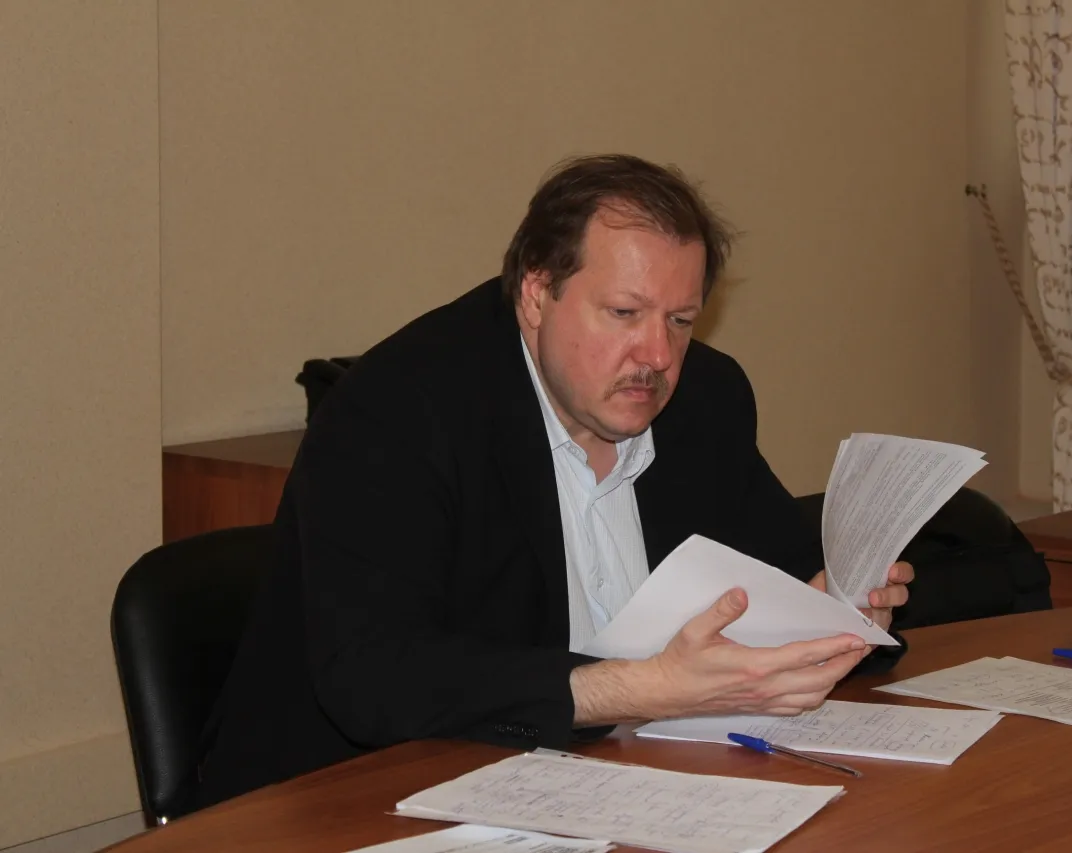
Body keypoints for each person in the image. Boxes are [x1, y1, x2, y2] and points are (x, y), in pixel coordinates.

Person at [192, 153, 913, 810]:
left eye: (681, 319)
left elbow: (784, 571)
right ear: (537, 294)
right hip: (343, 803)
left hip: (614, 790)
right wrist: (638, 688)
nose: (657, 355)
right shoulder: (401, 409)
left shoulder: (704, 398)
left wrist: (836, 613)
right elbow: (375, 676)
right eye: (624, 313)